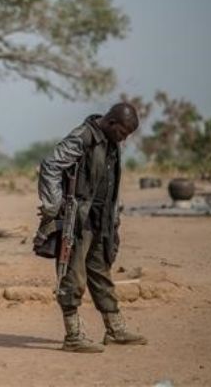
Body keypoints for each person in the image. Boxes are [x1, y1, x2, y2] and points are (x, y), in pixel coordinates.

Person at [35, 102, 148, 353]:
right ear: (110, 123)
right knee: (72, 276)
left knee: (101, 272)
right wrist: (53, 205)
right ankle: (73, 336)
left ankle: (115, 329)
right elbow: (51, 165)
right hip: (78, 221)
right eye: (122, 133)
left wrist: (114, 218)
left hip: (101, 220)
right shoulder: (82, 136)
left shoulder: (111, 143)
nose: (124, 139)